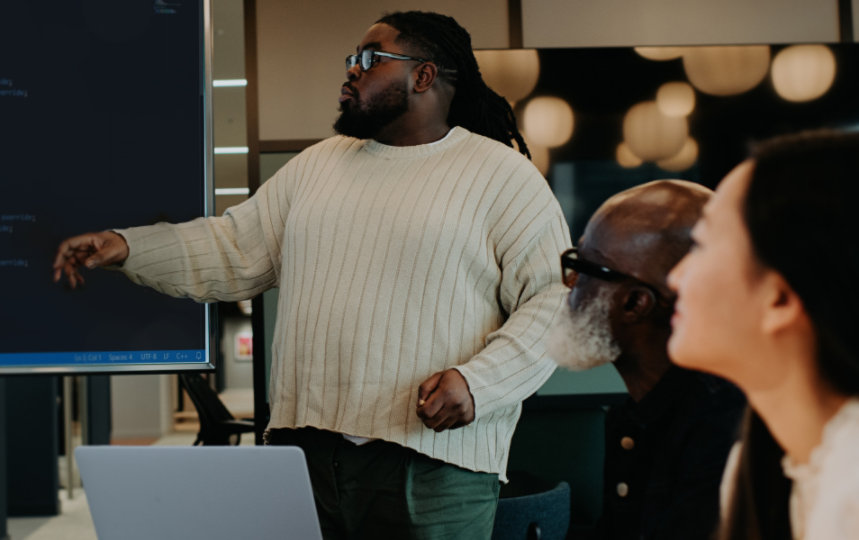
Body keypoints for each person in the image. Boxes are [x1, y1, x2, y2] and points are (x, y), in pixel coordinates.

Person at [52, 10, 572, 539]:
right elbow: (234, 249)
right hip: (305, 456)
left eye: (370, 59)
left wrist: (479, 383)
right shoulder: (316, 165)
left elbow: (555, 302)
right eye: (352, 59)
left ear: (423, 76)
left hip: (434, 466)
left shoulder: (503, 177)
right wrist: (128, 247)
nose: (352, 70)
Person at [667, 130, 859, 540]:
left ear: (781, 298)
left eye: (698, 246)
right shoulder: (757, 464)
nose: (674, 277)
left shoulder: (851, 488)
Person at [548, 180, 745, 540]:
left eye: (585, 268)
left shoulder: (723, 427)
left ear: (635, 303)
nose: (570, 284)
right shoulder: (634, 415)